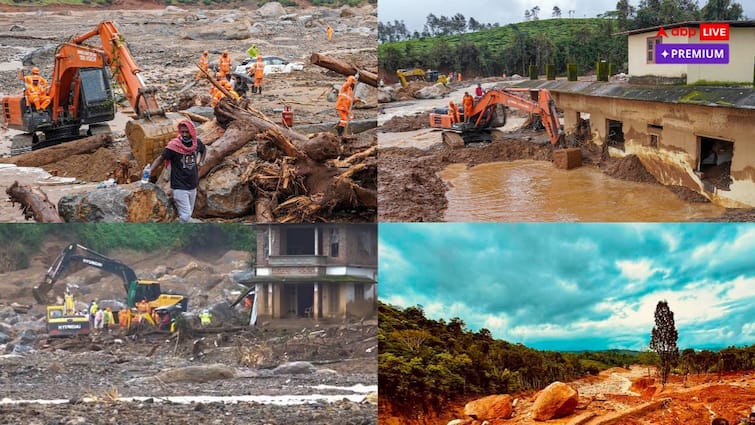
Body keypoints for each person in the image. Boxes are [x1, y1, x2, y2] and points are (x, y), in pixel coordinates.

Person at [148, 119, 206, 222]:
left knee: (188, 213)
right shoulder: (174, 146)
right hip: (179, 186)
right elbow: (161, 158)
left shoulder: (196, 143)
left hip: (192, 184)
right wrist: (150, 171)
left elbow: (203, 150)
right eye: (182, 131)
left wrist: (200, 162)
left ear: (192, 131)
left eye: (187, 132)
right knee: (186, 215)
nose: (184, 134)